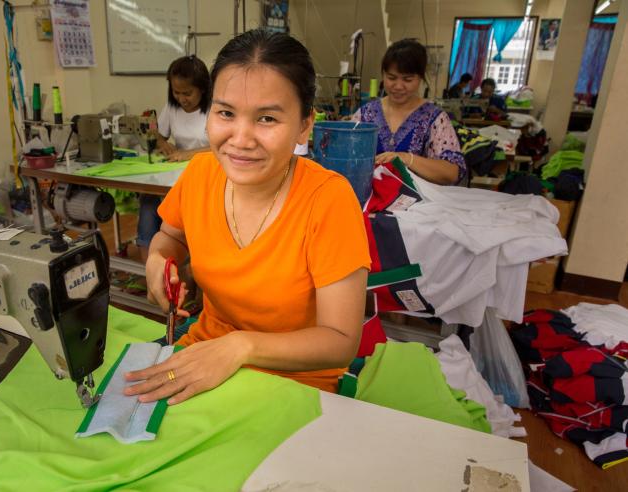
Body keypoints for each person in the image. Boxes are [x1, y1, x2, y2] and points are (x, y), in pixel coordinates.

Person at [123, 29, 370, 405]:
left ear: (304, 125)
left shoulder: (328, 199)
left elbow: (339, 341)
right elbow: (170, 237)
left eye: (267, 119)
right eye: (225, 113)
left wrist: (240, 347)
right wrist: (159, 259)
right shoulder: (201, 174)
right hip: (202, 353)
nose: (240, 138)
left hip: (295, 381)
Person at [353, 38, 466, 185]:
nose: (398, 86)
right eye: (391, 78)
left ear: (420, 78)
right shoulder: (365, 115)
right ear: (383, 75)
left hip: (418, 205)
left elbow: (451, 173)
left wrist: (407, 158)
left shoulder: (434, 119)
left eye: (408, 79)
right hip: (369, 202)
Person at [137, 56, 211, 259]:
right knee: (149, 200)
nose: (181, 98)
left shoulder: (214, 110)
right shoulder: (172, 109)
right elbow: (158, 135)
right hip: (174, 176)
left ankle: (188, 256)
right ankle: (149, 262)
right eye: (176, 93)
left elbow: (221, 147)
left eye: (187, 93)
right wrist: (163, 144)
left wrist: (187, 154)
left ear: (202, 88)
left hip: (204, 177)